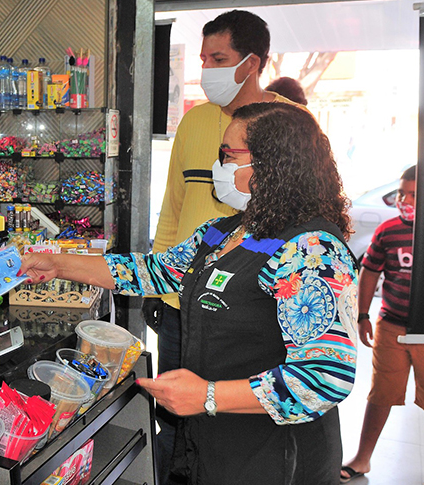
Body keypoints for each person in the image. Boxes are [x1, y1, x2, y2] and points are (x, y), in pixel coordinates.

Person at [22, 102, 358, 484]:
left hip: (276, 454)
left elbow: (326, 375)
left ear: (272, 164)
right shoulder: (222, 232)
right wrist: (57, 263)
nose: (219, 166)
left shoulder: (312, 251)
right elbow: (153, 272)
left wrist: (209, 395)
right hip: (212, 442)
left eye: (229, 155)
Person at [145, 10, 305, 479]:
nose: (206, 69)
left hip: (248, 307)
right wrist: (159, 288)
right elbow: (173, 209)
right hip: (182, 297)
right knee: (175, 411)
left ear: (252, 62)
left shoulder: (289, 123)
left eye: (219, 58)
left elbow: (304, 212)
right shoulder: (194, 124)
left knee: (230, 414)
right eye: (202, 58)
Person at [340, 166, 424, 485]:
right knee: (381, 393)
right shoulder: (388, 231)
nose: (405, 200)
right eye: (402, 193)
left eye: (414, 195)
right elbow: (370, 272)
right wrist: (363, 314)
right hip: (391, 326)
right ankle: (362, 459)